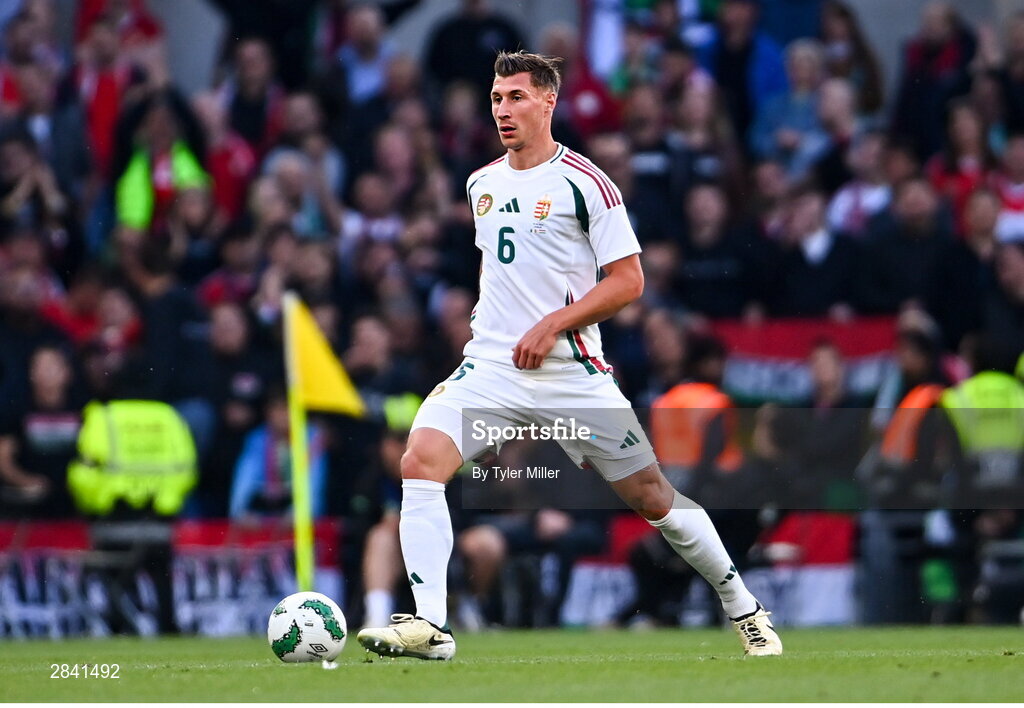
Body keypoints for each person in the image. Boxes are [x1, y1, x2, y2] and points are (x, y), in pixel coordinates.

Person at [356, 50, 781, 661]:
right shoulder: (481, 183)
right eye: (497, 98)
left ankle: (744, 608)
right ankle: (431, 627)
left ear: (548, 102)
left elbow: (629, 281)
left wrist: (553, 323)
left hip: (570, 371)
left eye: (517, 97)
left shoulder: (586, 183)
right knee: (420, 461)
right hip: (493, 367)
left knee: (654, 498)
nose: (503, 109)